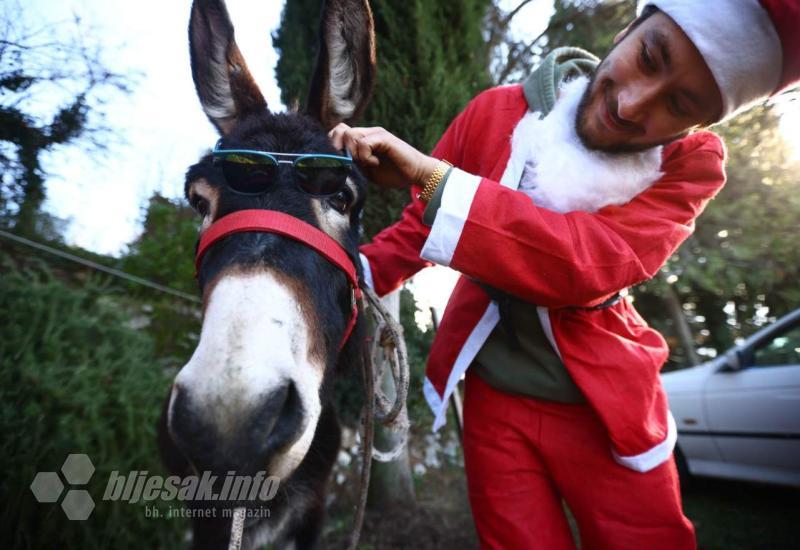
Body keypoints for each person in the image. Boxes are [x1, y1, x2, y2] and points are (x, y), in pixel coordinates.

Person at [330, 1, 800, 548]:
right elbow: (418, 226)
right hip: (491, 400)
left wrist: (435, 178)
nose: (631, 104)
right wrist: (344, 275)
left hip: (604, 409)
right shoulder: (493, 111)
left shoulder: (689, 167)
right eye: (648, 57)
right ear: (628, 28)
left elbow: (585, 262)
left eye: (678, 104)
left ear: (696, 126)